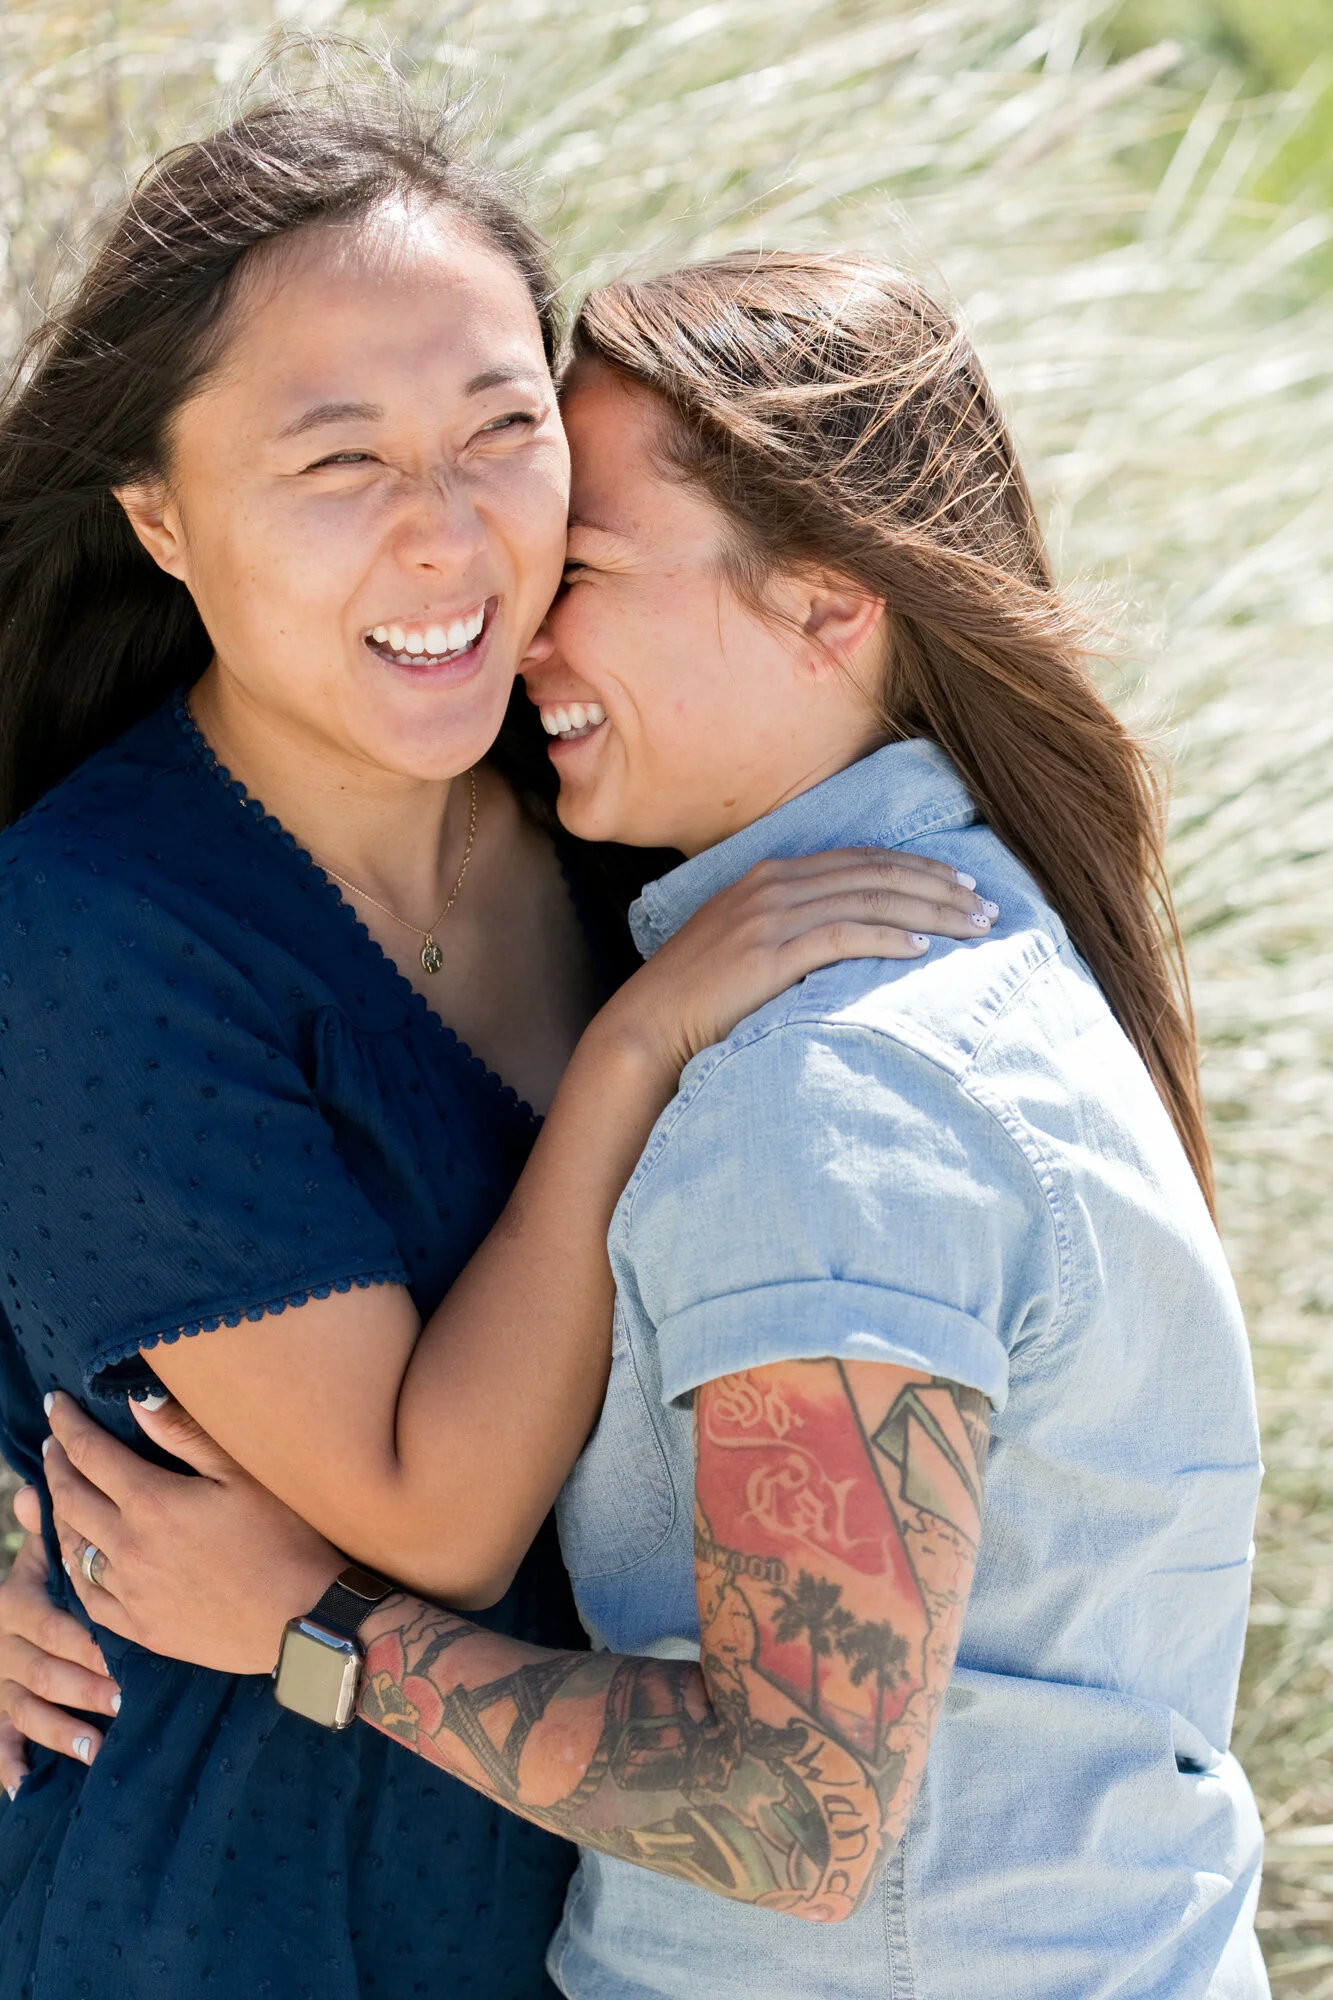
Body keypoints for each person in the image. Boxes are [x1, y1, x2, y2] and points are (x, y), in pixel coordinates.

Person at [10, 252, 1267, 1998]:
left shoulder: (825, 1096)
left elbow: (798, 1807)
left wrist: (316, 1633)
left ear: (832, 607)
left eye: (581, 566)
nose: (522, 619)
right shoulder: (910, 941)